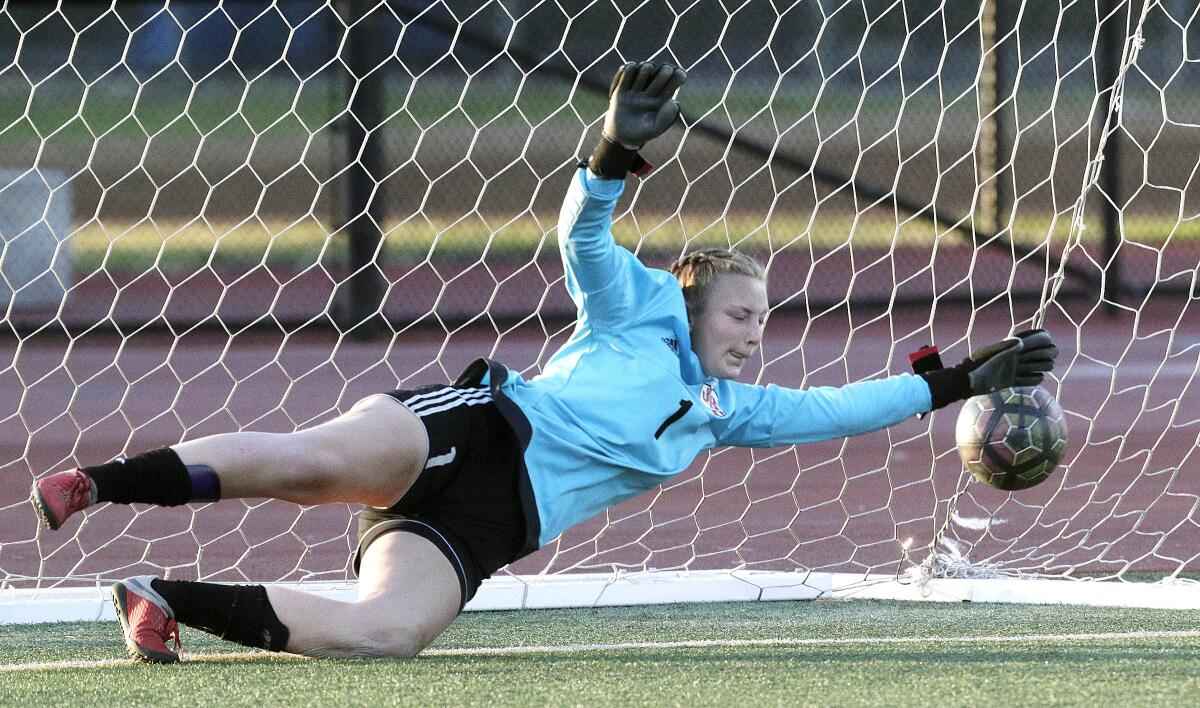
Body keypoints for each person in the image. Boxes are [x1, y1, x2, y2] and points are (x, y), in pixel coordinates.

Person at [30, 62, 1058, 663]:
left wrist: (962, 379)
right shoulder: (631, 316)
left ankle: (161, 597)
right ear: (693, 296)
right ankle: (95, 484)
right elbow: (582, 243)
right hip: (475, 425)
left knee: (388, 634)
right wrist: (607, 160)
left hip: (485, 523)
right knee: (310, 464)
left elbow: (840, 408)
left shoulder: (726, 410)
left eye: (763, 318)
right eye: (742, 311)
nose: (754, 331)